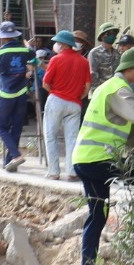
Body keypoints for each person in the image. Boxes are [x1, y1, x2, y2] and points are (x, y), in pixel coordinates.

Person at [72, 48, 134, 265]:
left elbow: (129, 136)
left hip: (84, 159)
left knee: (97, 215)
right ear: (130, 68)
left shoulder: (107, 87)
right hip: (99, 160)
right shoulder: (118, 89)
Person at [41, 30, 90, 180]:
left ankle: (54, 172)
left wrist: (56, 93)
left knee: (50, 136)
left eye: (57, 43)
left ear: (62, 45)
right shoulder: (84, 61)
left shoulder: (56, 59)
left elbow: (45, 83)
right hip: (75, 103)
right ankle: (72, 172)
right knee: (72, 138)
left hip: (56, 100)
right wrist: (77, 97)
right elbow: (87, 87)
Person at [0, 23, 32, 171]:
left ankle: (15, 155)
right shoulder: (24, 49)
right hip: (21, 94)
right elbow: (32, 56)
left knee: (0, 127)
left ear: (3, 37)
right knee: (16, 128)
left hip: (6, 94)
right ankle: (10, 162)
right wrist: (28, 46)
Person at [88, 23, 120, 92]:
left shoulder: (117, 54)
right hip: (100, 91)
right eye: (110, 33)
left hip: (114, 91)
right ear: (102, 36)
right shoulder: (94, 53)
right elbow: (93, 74)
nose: (113, 36)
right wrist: (95, 92)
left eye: (114, 34)